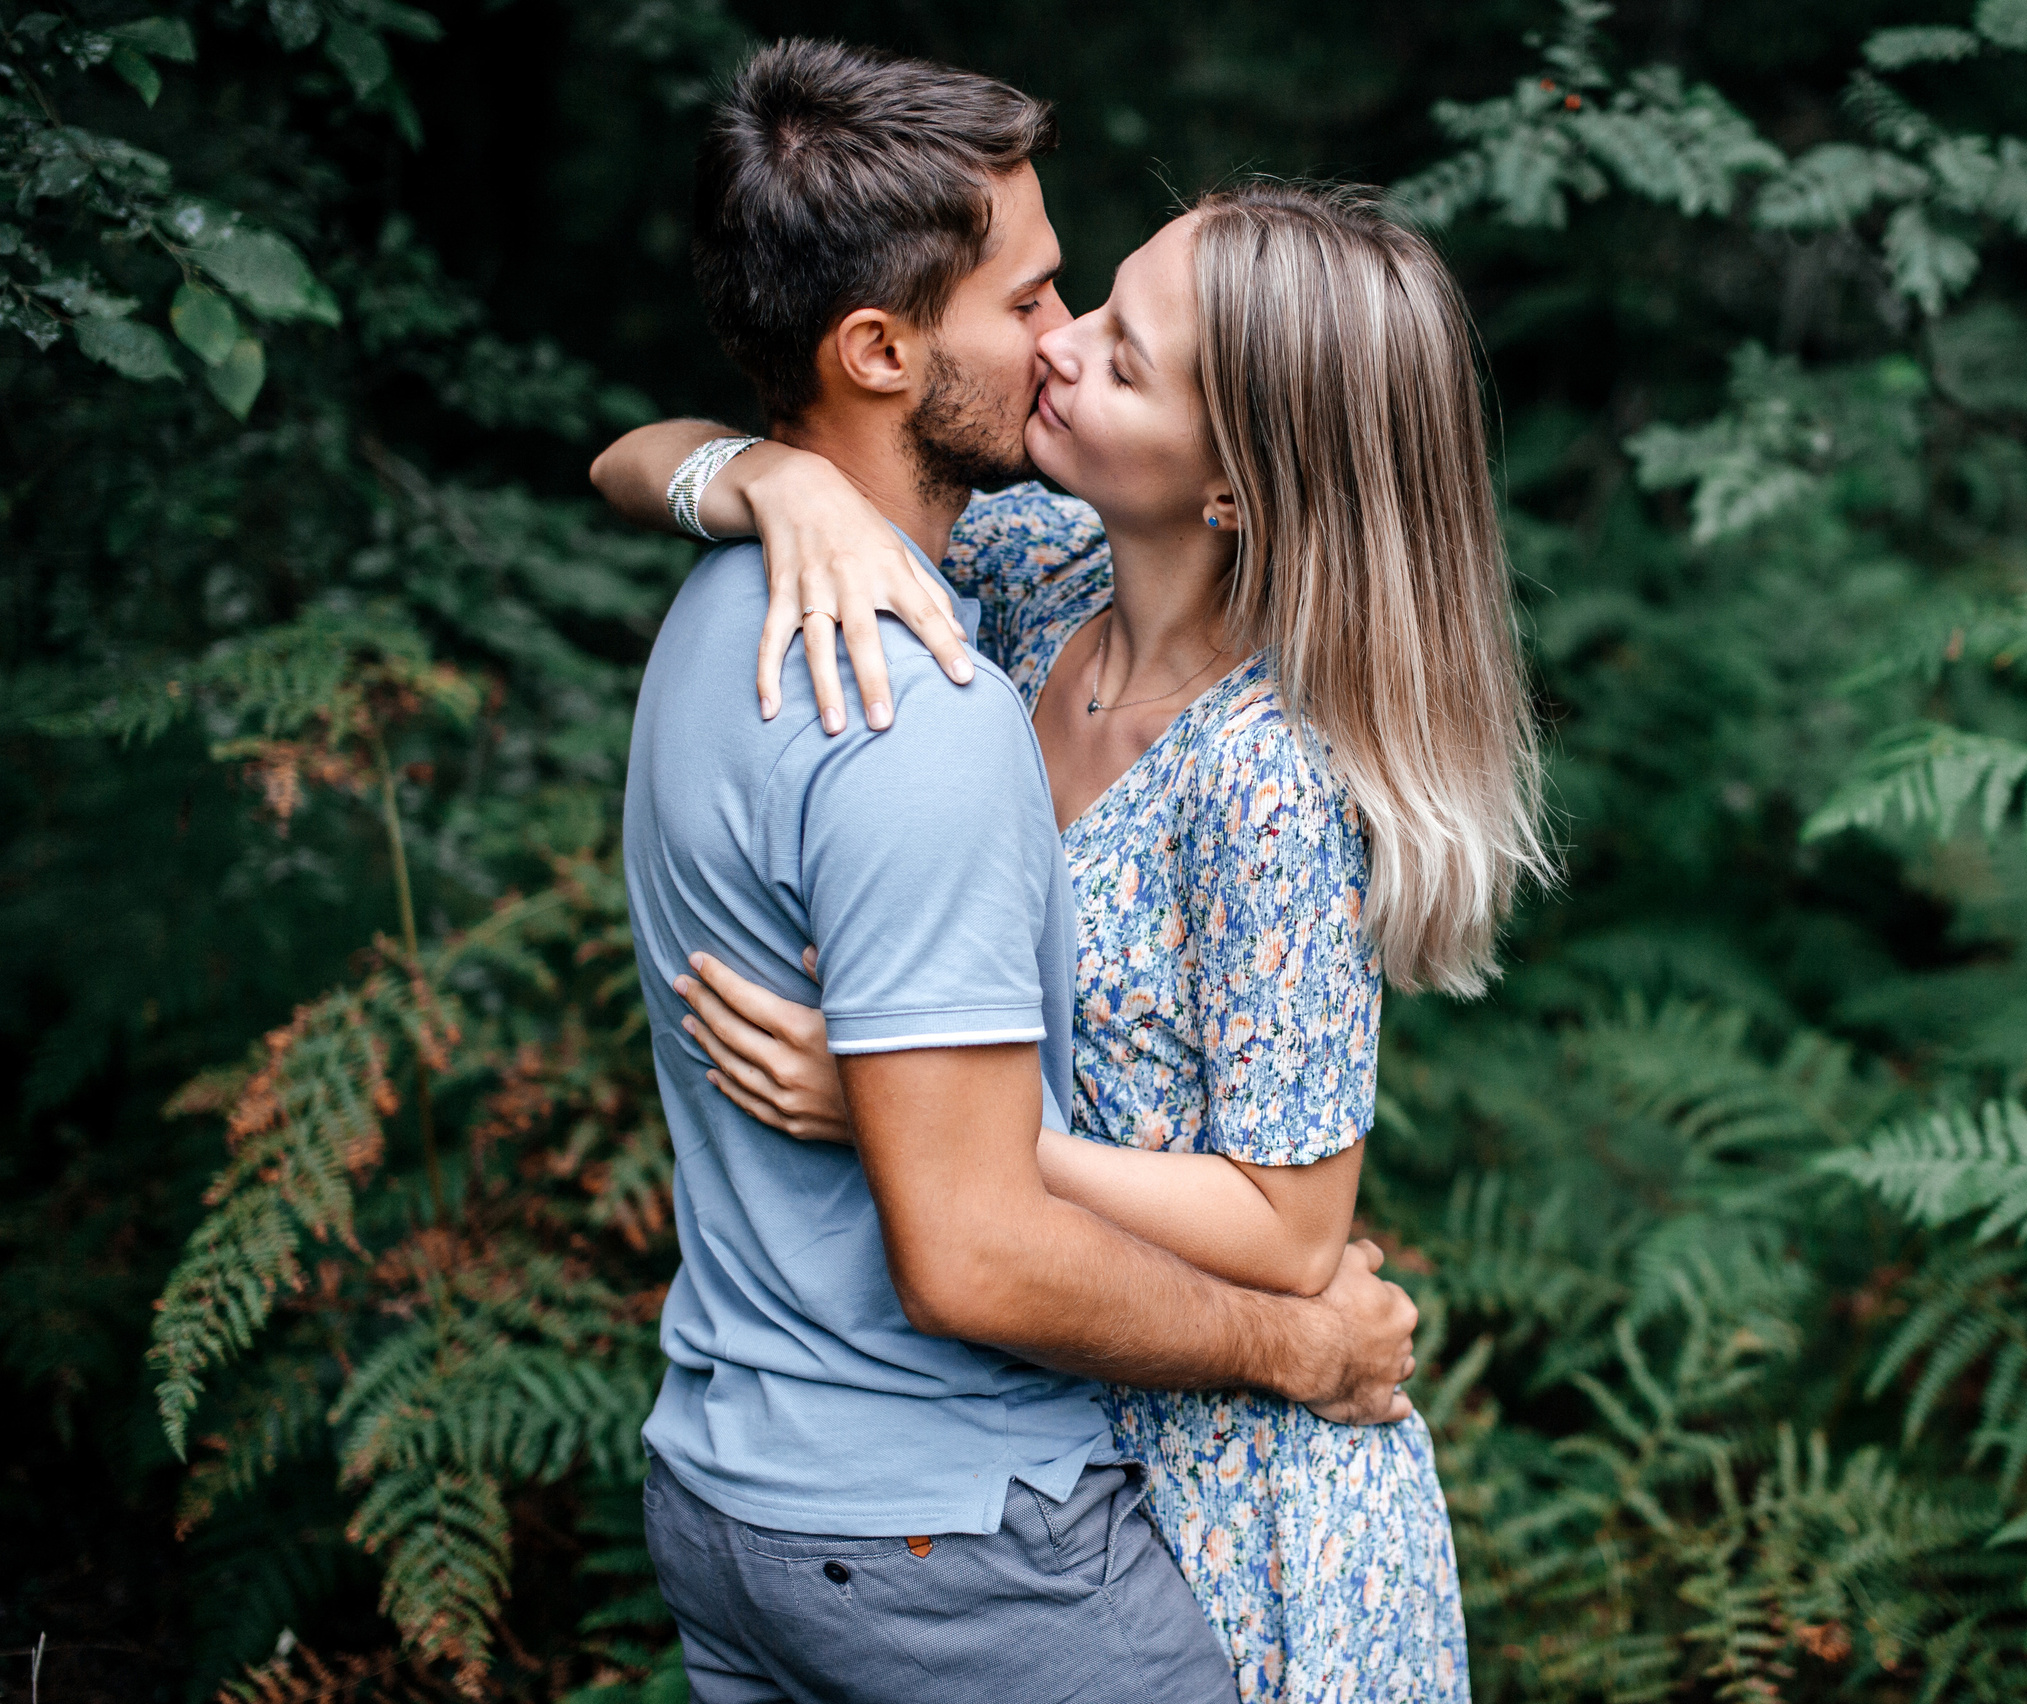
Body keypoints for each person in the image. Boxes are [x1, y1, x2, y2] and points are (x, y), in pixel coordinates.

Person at [593, 147, 1549, 1704]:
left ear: (1232, 481)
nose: (1061, 340)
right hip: (1045, 1411)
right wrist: (769, 483)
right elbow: (631, 461)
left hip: (1231, 1480)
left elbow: (1297, 1229)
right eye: (1087, 300)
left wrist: (908, 1116)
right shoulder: (1035, 574)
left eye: (1123, 355)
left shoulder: (1264, 782)